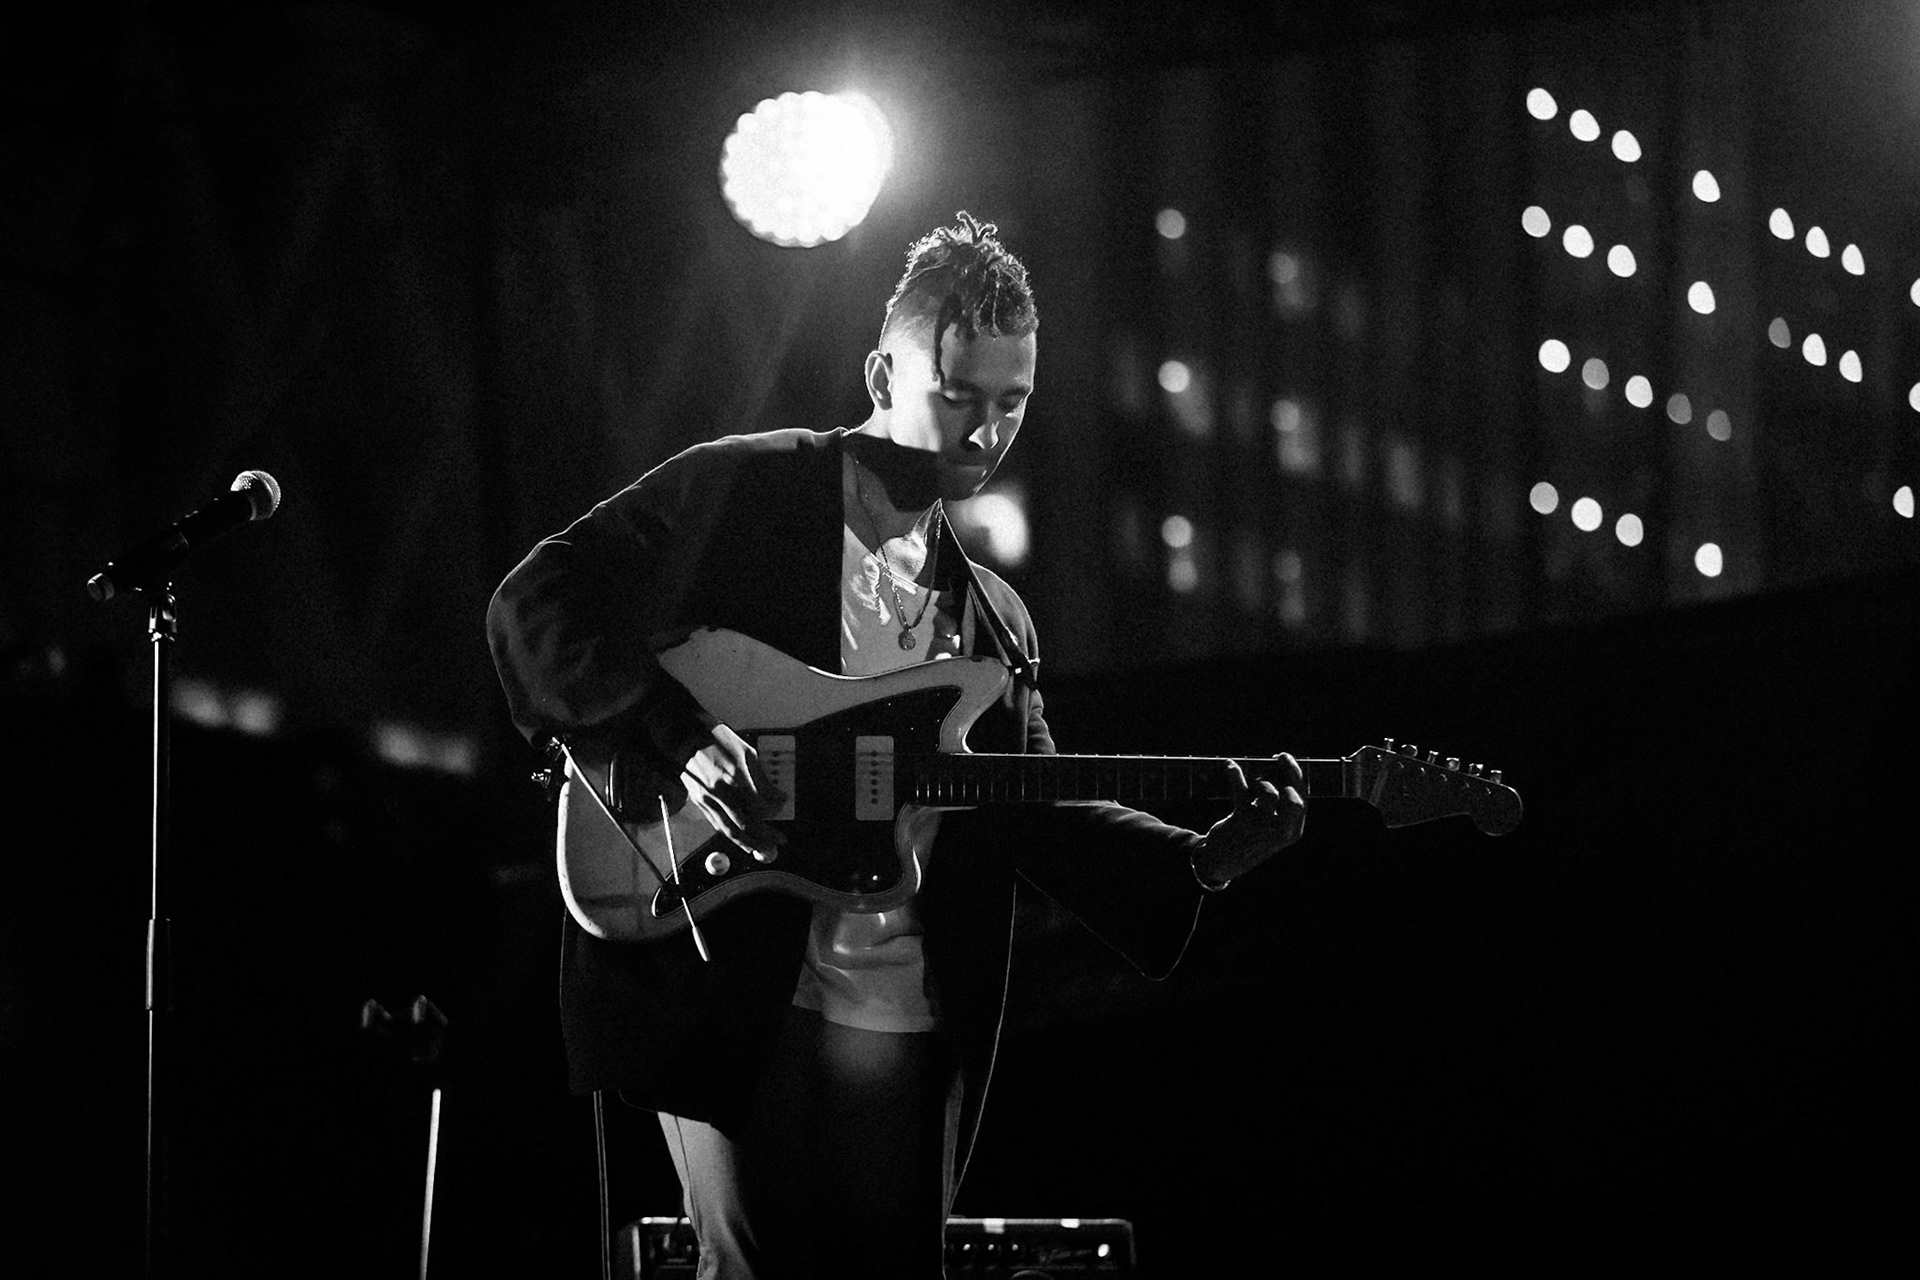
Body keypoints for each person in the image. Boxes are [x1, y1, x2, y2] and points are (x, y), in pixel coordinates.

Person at [486, 211, 1307, 1278]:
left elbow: (1034, 804)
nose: (983, 432)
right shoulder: (747, 489)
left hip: (909, 1003)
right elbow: (536, 598)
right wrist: (680, 737)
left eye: (1011, 403)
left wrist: (1200, 858)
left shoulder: (994, 616)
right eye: (957, 394)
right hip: (734, 957)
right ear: (883, 369)